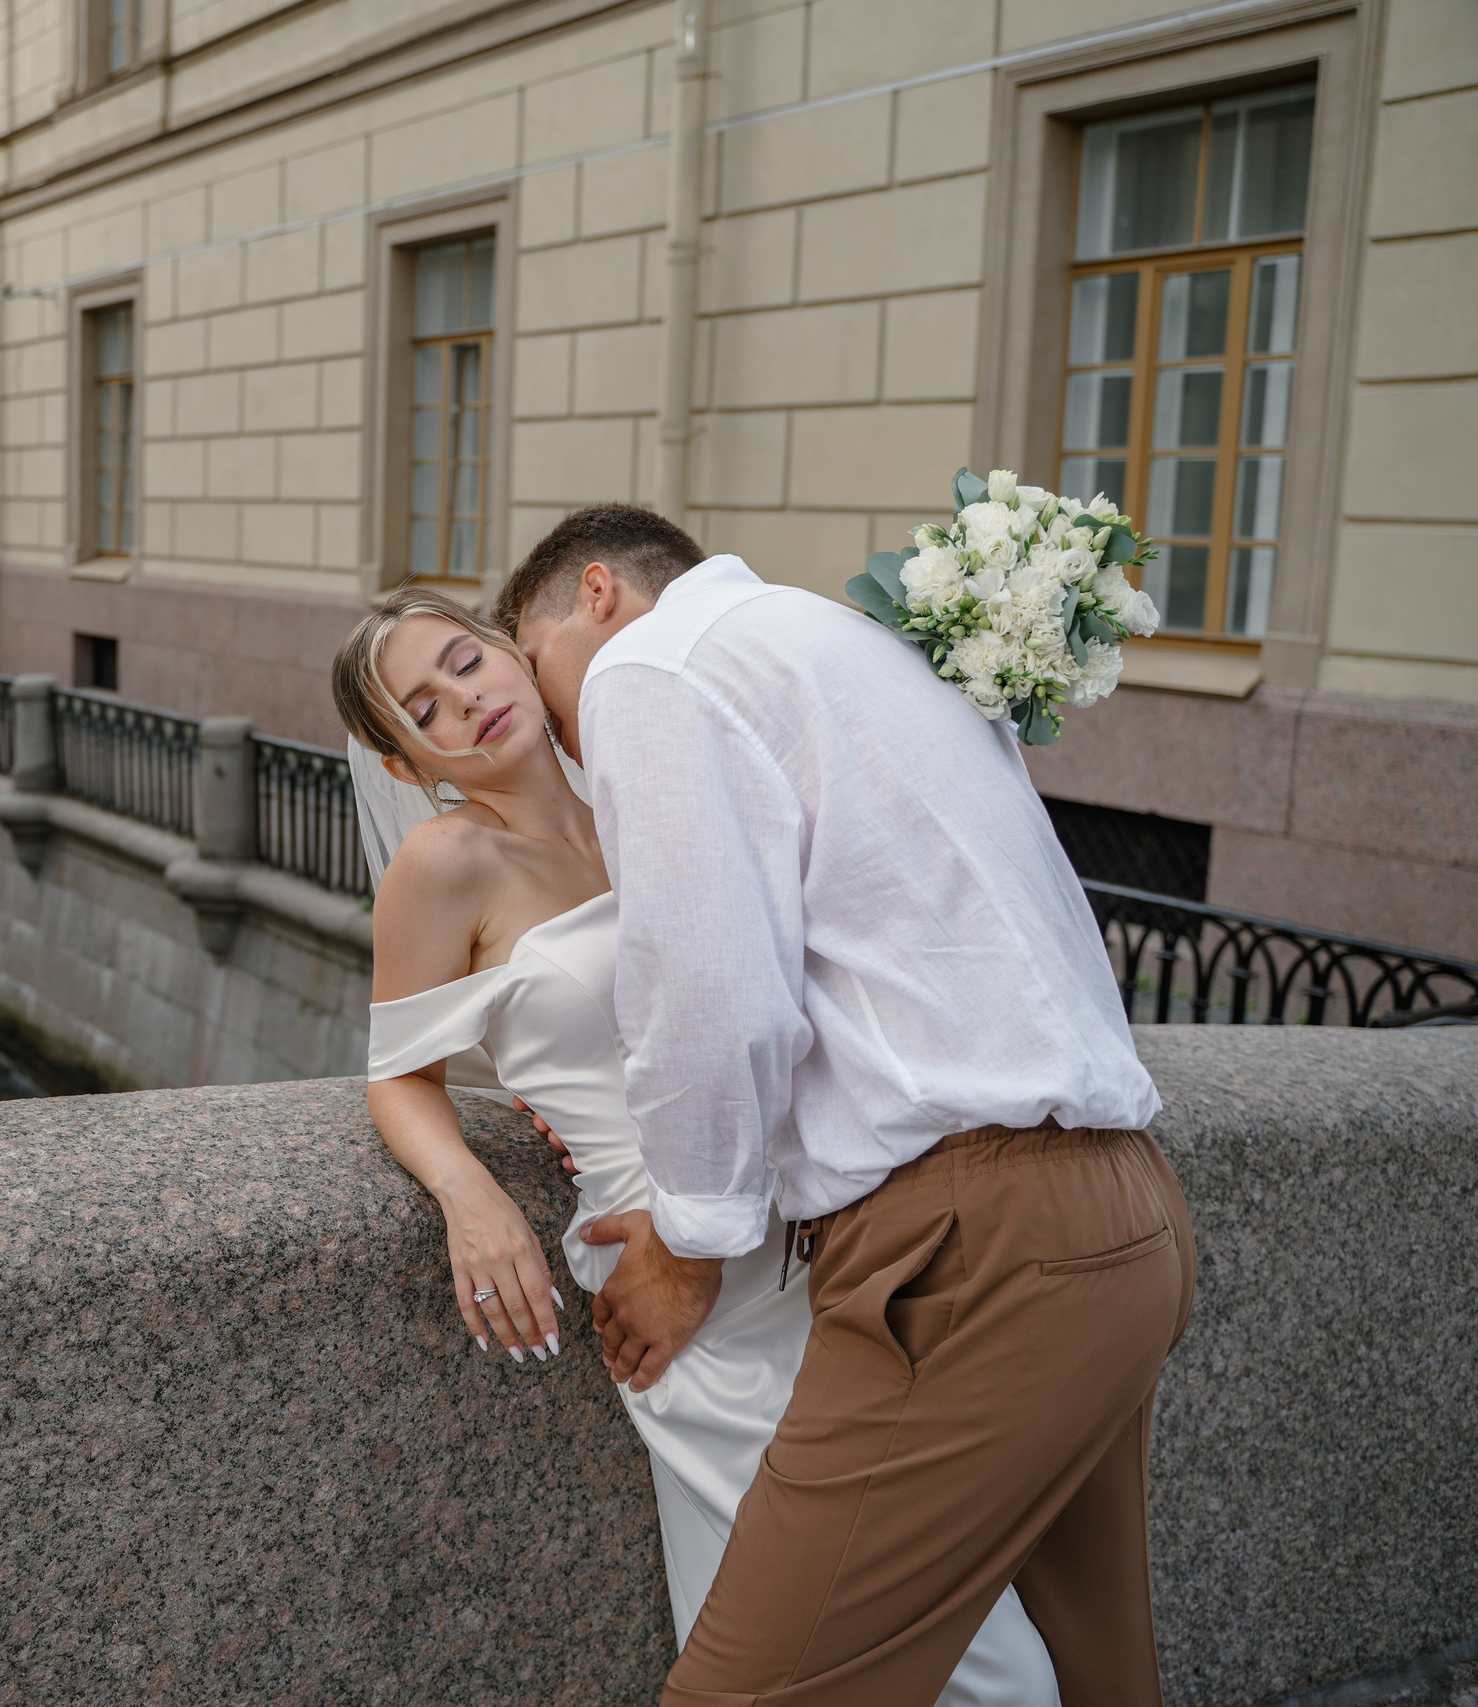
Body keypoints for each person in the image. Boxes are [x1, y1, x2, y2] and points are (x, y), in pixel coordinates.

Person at [500, 504, 1195, 1705]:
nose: (556, 729)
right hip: (1122, 1209)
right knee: (1097, 1666)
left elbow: (709, 984)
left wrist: (689, 1243)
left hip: (972, 1250)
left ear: (597, 594)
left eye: (534, 667)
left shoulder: (651, 663)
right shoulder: (847, 642)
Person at [337, 581, 1059, 1703]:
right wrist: (469, 1196)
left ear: (509, 652)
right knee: (899, 1628)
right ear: (404, 763)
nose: (462, 701)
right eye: (422, 710)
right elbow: (398, 1076)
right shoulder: (447, 862)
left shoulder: (643, 793)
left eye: (464, 663)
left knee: (889, 1599)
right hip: (671, 1277)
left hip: (823, 1233)